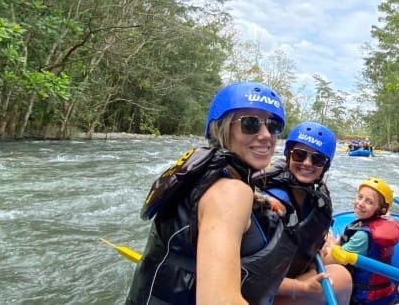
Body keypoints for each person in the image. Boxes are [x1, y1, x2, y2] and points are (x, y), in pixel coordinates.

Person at [127, 81, 297, 304]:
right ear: (222, 128)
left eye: (273, 125)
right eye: (250, 124)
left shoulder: (203, 177)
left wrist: (263, 200)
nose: (266, 135)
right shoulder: (231, 192)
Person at [253, 121, 352, 304]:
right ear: (288, 155)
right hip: (260, 292)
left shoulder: (316, 197)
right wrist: (299, 287)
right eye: (299, 155)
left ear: (325, 166)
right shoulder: (267, 203)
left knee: (336, 264)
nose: (307, 163)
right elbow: (248, 274)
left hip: (286, 275)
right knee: (342, 278)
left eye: (317, 159)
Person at [339, 177, 399, 305]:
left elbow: (336, 259)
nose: (360, 203)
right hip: (386, 296)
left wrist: (332, 244)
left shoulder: (362, 236)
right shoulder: (382, 223)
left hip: (364, 299)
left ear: (380, 210)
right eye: (360, 197)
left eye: (369, 202)